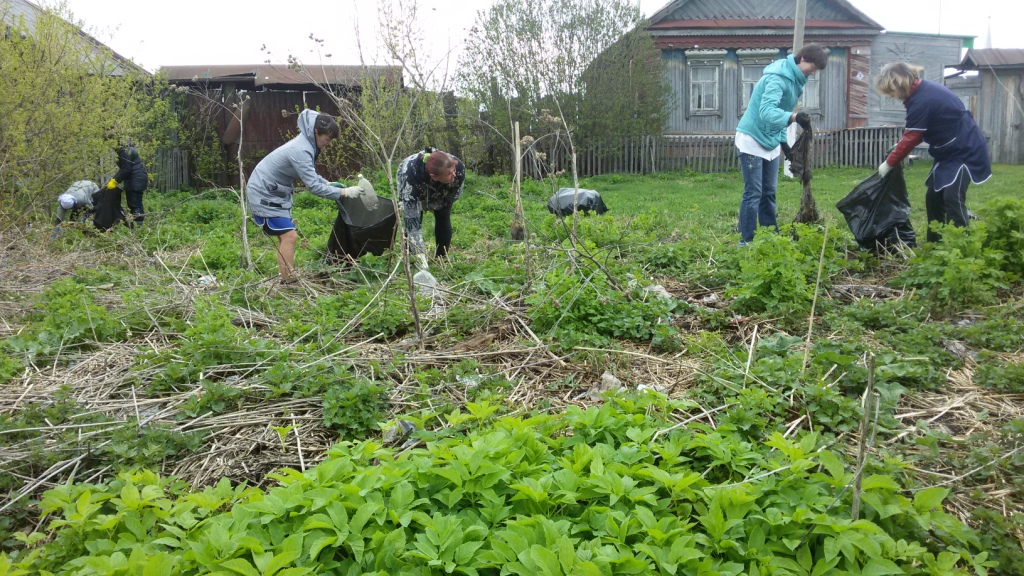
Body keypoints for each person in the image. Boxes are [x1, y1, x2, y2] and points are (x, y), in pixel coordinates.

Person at [875, 62, 991, 242]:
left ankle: (961, 246)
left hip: (964, 150)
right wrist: (899, 146)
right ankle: (934, 244)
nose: (893, 97)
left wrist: (889, 163)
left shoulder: (923, 99)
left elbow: (912, 136)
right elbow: (921, 130)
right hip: (947, 152)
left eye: (891, 92)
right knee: (933, 197)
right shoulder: (923, 92)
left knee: (952, 198)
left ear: (900, 84)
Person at [246, 109, 366, 283]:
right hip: (264, 193)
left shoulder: (306, 144)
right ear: (316, 132)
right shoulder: (301, 150)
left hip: (272, 191)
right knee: (289, 236)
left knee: (285, 236)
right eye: (327, 139)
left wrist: (327, 184)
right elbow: (313, 187)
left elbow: (312, 176)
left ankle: (286, 278)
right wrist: (344, 192)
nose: (329, 143)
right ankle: (288, 281)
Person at [735, 43, 827, 246]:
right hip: (751, 138)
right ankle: (746, 241)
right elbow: (766, 112)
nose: (812, 73)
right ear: (803, 59)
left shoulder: (795, 81)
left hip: (770, 139)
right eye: (812, 68)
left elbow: (777, 116)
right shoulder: (777, 78)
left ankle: (770, 236)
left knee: (769, 193)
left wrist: (784, 145)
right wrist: (794, 117)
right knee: (753, 193)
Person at [396, 147, 465, 269]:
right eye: (449, 174)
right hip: (414, 181)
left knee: (443, 215)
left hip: (441, 185)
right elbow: (412, 224)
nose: (453, 174)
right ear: (433, 176)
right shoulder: (410, 177)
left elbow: (452, 195)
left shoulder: (458, 169)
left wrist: (439, 203)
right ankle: (412, 259)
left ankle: (441, 258)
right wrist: (421, 260)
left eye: (453, 170)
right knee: (415, 221)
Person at [106, 144, 149, 225]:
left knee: (135, 206)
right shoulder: (127, 149)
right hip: (137, 179)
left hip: (135, 180)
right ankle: (138, 226)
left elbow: (126, 169)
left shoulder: (125, 151)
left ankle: (138, 229)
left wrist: (115, 180)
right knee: (136, 204)